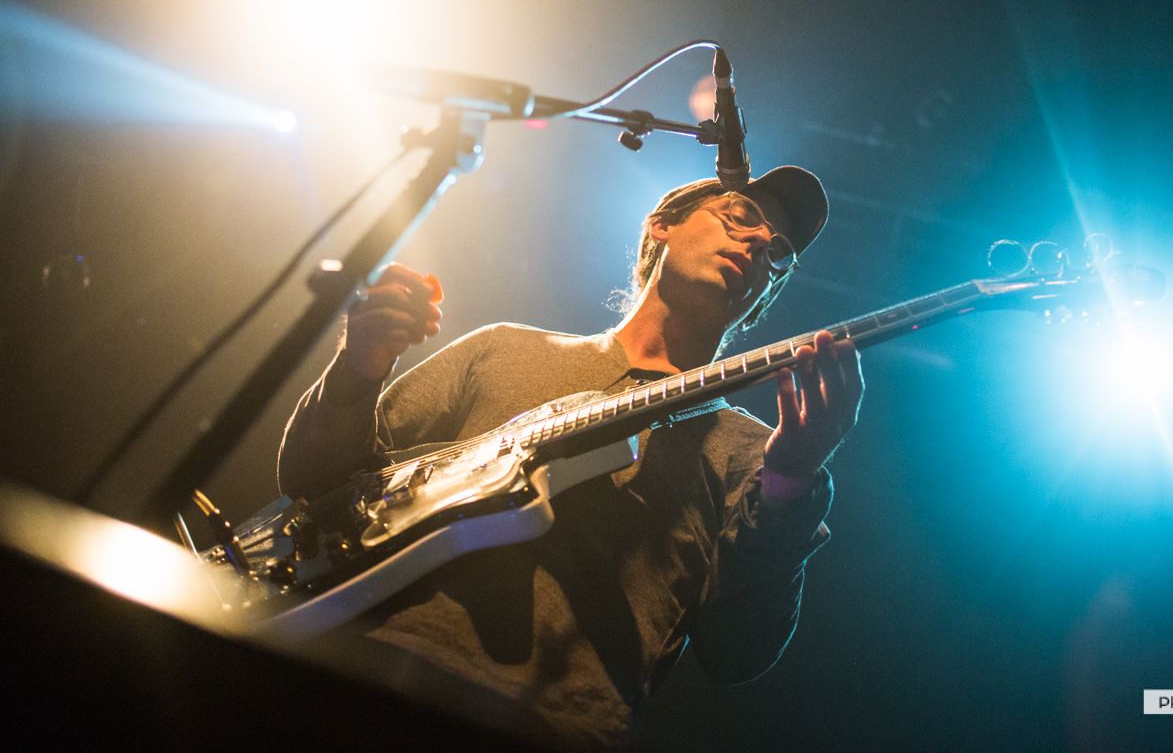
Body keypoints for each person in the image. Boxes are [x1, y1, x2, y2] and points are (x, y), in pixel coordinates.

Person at [277, 166, 863, 749]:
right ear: (662, 225)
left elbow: (738, 654)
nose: (760, 243)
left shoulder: (750, 452)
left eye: (778, 253)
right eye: (740, 217)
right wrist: (359, 367)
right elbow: (315, 482)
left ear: (760, 300)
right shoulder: (502, 349)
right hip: (357, 665)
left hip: (551, 726)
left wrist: (790, 483)